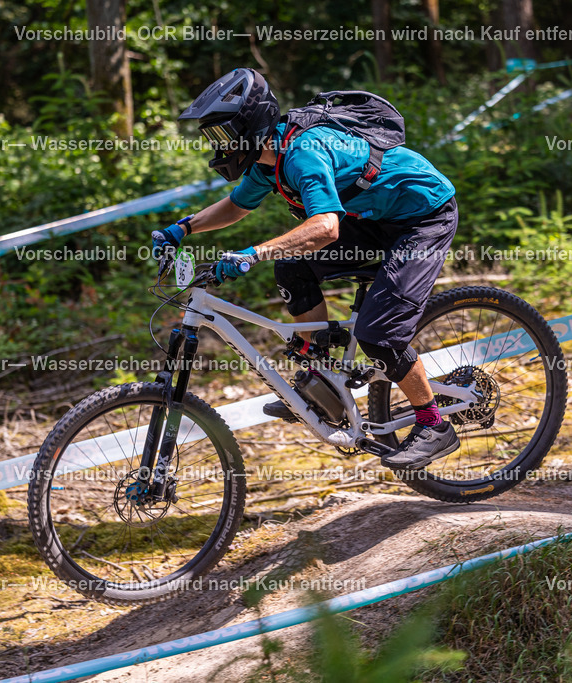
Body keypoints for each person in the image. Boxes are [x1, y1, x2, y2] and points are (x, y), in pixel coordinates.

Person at [151, 68, 460, 471]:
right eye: (213, 139)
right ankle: (323, 378)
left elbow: (327, 227)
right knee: (292, 267)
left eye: (223, 136)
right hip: (374, 217)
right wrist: (182, 228)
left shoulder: (303, 154)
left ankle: (434, 425)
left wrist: (252, 253)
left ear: (250, 127)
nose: (219, 147)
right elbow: (236, 206)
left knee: (378, 335)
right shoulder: (268, 161)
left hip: (423, 217)